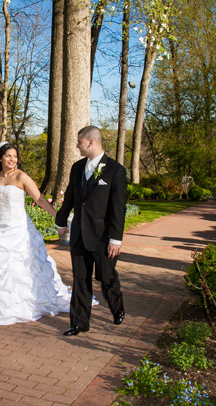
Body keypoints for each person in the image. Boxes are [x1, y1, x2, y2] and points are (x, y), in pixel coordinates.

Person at [0, 142, 71, 325]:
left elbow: (40, 199)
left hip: (20, 230)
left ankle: (28, 303)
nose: (12, 159)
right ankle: (0, 307)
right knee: (0, 270)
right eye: (8, 155)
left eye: (15, 156)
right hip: (0, 230)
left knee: (24, 268)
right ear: (1, 157)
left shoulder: (21, 177)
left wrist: (58, 218)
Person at [55, 125, 127, 336]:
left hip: (103, 238)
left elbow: (118, 209)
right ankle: (79, 323)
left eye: (79, 142)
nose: (77, 146)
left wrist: (115, 239)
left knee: (106, 277)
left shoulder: (115, 171)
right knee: (80, 280)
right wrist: (61, 221)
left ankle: (117, 306)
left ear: (91, 142)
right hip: (79, 235)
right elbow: (70, 196)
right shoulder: (77, 168)